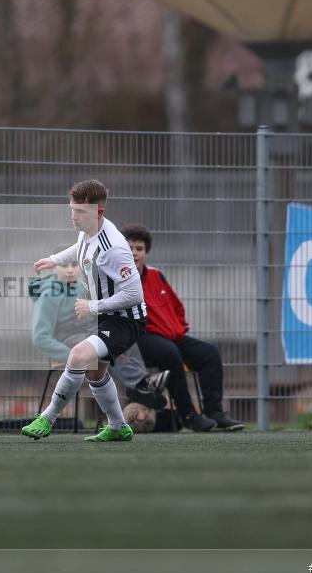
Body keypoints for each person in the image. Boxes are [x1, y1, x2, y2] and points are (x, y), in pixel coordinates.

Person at [23, 179, 147, 442]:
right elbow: (80, 247)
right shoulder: (88, 230)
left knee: (79, 356)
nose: (73, 216)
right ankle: (118, 427)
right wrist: (54, 260)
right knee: (94, 372)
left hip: (124, 320)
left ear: (98, 212)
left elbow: (135, 294)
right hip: (103, 315)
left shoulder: (114, 248)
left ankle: (46, 419)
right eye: (72, 209)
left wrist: (93, 306)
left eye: (80, 212)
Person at [28, 246, 168, 435]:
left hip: (87, 334)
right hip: (68, 342)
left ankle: (140, 384)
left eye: (73, 264)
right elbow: (40, 337)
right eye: (63, 265)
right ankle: (140, 385)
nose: (69, 269)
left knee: (117, 338)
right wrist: (72, 356)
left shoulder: (84, 287)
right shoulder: (48, 296)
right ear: (54, 269)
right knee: (101, 345)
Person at [121, 224, 244, 431]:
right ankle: (188, 415)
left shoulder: (156, 276)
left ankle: (215, 412)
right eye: (129, 248)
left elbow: (177, 306)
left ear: (146, 252)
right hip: (139, 339)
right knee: (171, 353)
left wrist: (177, 327)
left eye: (139, 249)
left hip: (171, 336)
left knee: (209, 353)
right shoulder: (117, 278)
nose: (134, 253)